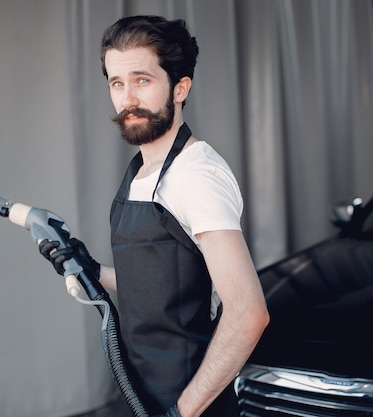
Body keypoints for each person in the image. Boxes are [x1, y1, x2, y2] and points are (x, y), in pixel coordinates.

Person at [39, 15, 269, 417]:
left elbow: (248, 314)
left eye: (142, 80)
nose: (127, 98)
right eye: (116, 83)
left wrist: (183, 411)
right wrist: (92, 269)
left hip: (192, 405)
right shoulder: (139, 172)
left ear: (179, 88)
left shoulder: (197, 176)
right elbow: (160, 286)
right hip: (145, 396)